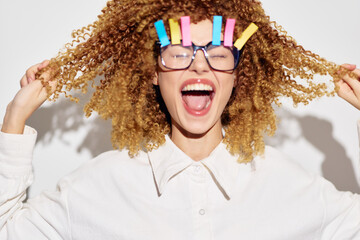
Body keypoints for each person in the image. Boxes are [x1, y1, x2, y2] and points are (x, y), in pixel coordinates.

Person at [1, 0, 360, 239]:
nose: (199, 65)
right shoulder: (96, 187)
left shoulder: (291, 188)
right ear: (153, 72)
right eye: (178, 53)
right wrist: (14, 119)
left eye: (219, 54)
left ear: (238, 75)